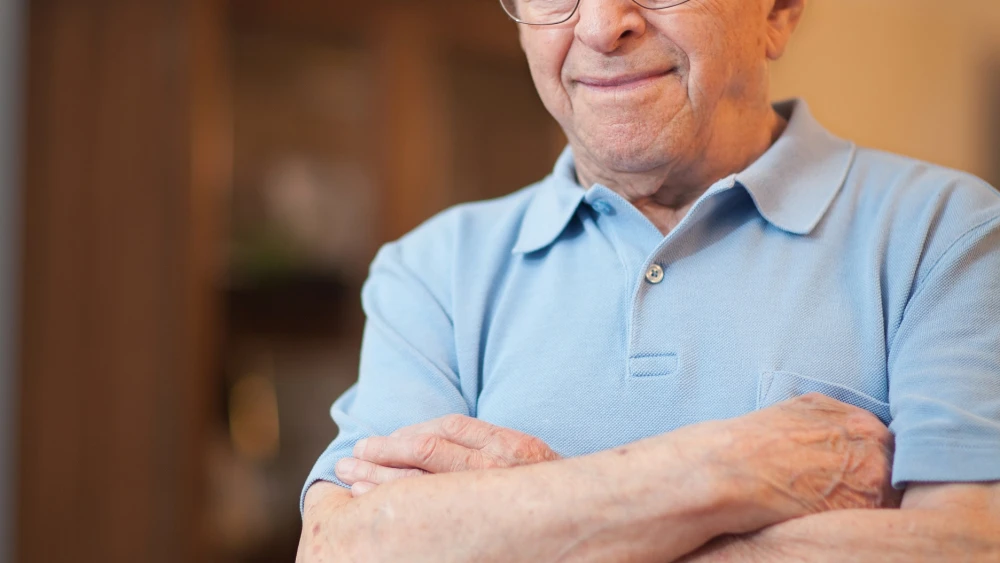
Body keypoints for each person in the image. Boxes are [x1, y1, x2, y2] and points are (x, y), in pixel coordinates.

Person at [297, 0, 1000, 560]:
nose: (603, 25)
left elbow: (969, 545)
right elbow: (343, 546)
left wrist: (520, 521)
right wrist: (733, 467)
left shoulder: (948, 234)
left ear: (779, 11)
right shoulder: (432, 270)